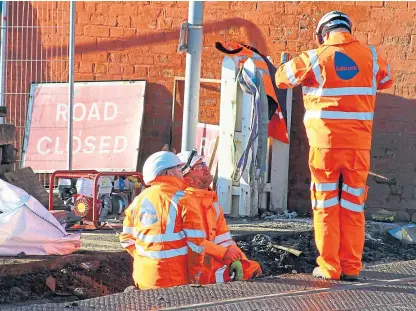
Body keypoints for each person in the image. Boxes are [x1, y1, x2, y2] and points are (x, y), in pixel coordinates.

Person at [275, 11, 393, 281]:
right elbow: (386, 80)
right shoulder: (371, 56)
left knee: (325, 205)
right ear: (348, 29)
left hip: (325, 148)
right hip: (358, 147)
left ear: (322, 34)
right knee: (353, 205)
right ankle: (351, 267)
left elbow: (282, 77)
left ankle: (329, 267)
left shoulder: (314, 58)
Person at [119, 151, 206, 289]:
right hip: (173, 281)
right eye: (179, 168)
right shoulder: (184, 200)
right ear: (169, 173)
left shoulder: (138, 200)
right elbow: (196, 245)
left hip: (142, 279)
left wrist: (146, 260)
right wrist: (194, 276)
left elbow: (126, 239)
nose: (182, 172)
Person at [177, 149, 262, 284]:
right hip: (191, 267)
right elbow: (191, 241)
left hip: (210, 261)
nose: (205, 169)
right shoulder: (183, 203)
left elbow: (224, 238)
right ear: (187, 179)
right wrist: (223, 254)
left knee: (250, 268)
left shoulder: (211, 202)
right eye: (198, 168)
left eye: (203, 164)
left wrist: (236, 257)